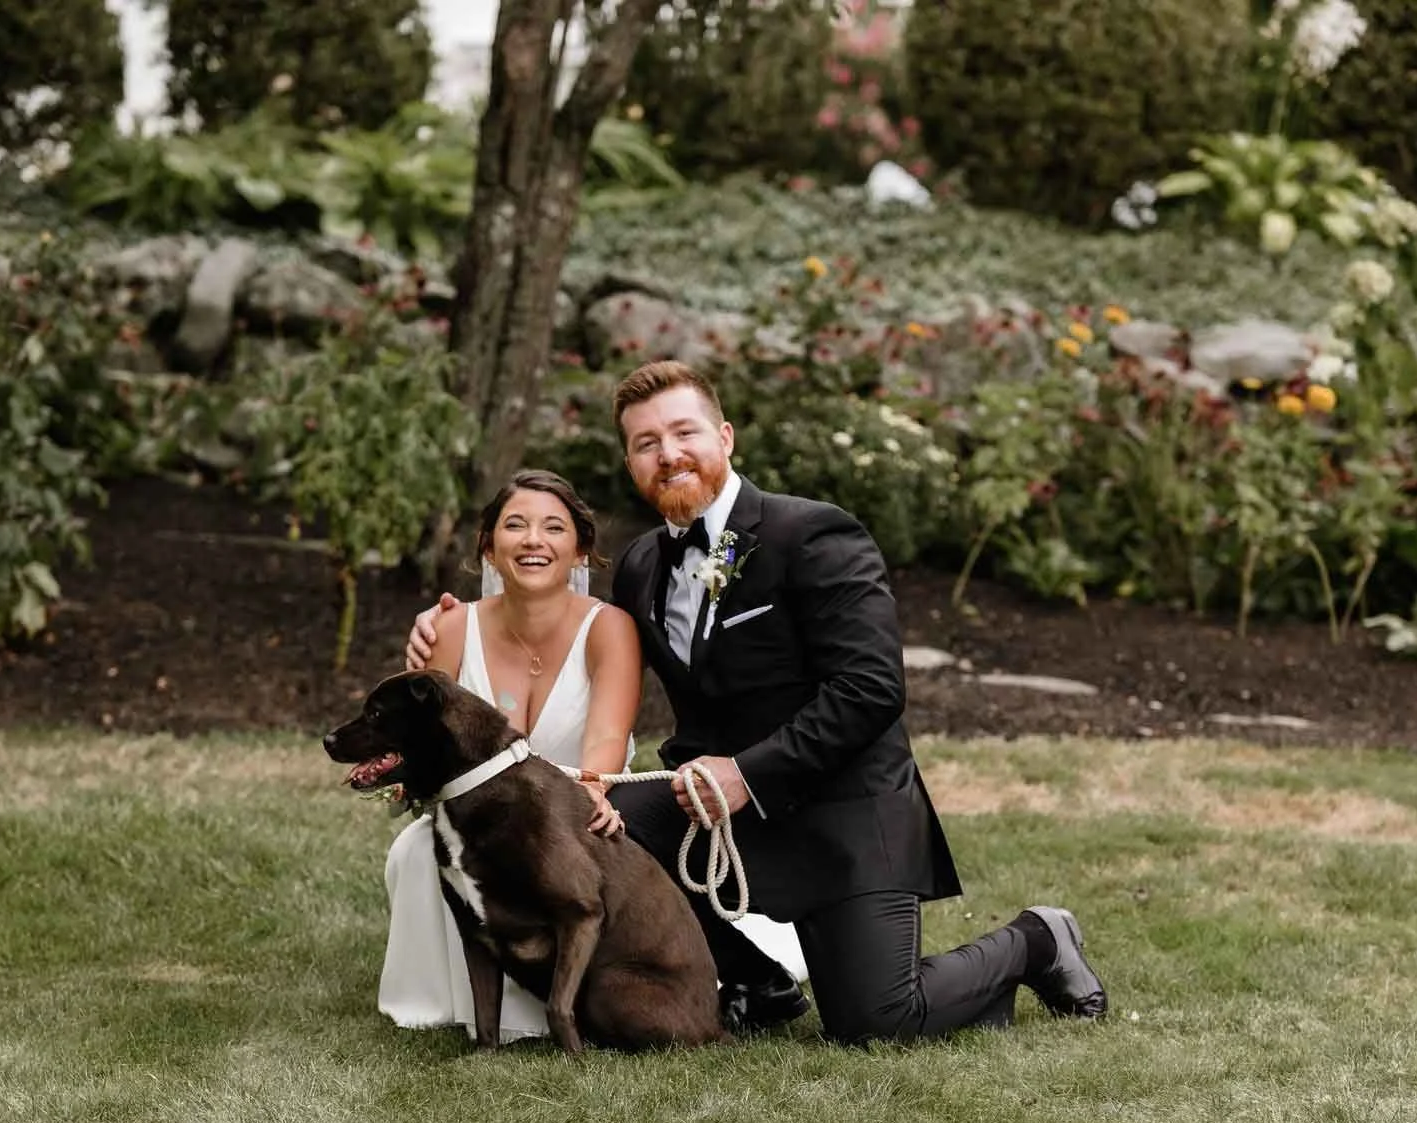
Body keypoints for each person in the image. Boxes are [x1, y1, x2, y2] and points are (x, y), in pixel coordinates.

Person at [409, 361, 1107, 1045]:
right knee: (604, 821)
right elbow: (573, 637)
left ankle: (1037, 939)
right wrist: (446, 629)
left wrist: (748, 772)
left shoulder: (816, 534)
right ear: (630, 462)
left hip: (841, 814)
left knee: (877, 1019)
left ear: (726, 437)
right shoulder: (644, 565)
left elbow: (871, 689)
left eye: (684, 432)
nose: (668, 454)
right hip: (715, 812)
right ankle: (753, 981)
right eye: (646, 443)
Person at [379, 468, 806, 1042]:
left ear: (580, 550)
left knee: (552, 858)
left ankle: (577, 995)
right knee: (415, 850)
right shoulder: (452, 628)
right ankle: (450, 1002)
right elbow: (419, 742)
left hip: (574, 810)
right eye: (515, 526)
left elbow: (603, 747)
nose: (534, 540)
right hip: (473, 818)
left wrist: (593, 789)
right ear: (488, 546)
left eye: (554, 528)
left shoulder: (610, 629)